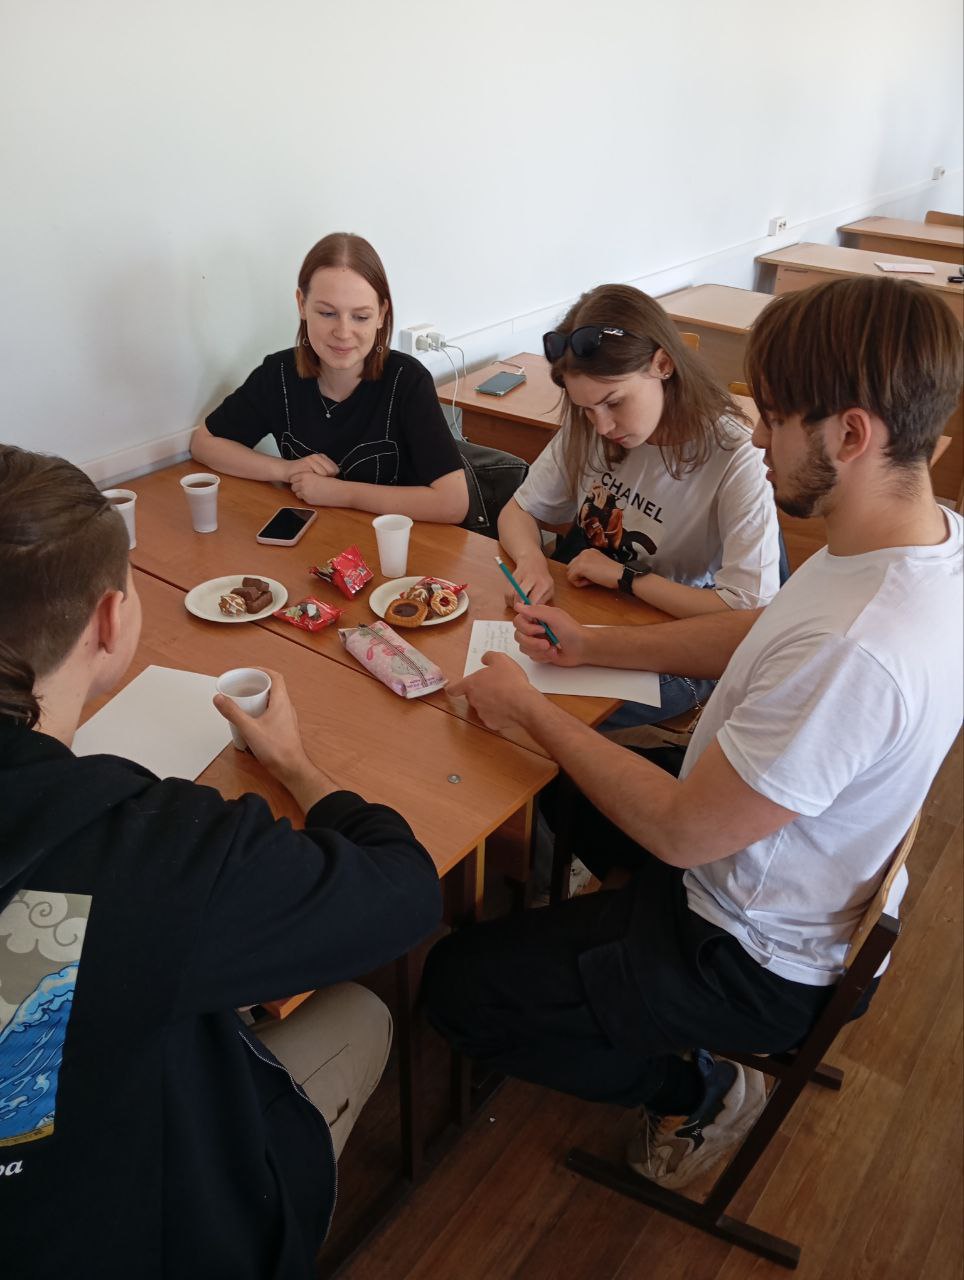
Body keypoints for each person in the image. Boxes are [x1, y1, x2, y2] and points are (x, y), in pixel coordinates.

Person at [423, 276, 963, 1192]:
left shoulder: (860, 647)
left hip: (750, 951)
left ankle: (697, 1090)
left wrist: (534, 710)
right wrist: (593, 644)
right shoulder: (914, 540)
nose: (757, 436)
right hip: (761, 849)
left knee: (454, 988)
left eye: (777, 418)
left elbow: (683, 832)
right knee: (551, 776)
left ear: (851, 436)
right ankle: (602, 953)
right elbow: (757, 629)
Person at [0, 446, 442, 1277]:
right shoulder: (151, 848)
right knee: (362, 1014)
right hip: (123, 1234)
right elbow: (405, 890)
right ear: (110, 620)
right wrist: (300, 769)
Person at [497, 283, 782, 727]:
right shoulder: (591, 423)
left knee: (536, 712)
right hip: (592, 610)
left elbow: (744, 615)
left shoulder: (735, 454)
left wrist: (625, 578)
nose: (601, 426)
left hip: (676, 636)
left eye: (613, 402)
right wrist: (531, 558)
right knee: (505, 683)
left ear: (662, 364)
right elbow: (519, 511)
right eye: (586, 409)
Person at [191, 232, 469, 524]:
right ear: (302, 304)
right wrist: (285, 470)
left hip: (399, 545)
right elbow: (204, 443)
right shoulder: (279, 374)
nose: (343, 332)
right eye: (327, 313)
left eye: (360, 317)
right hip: (320, 539)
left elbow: (453, 503)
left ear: (381, 314)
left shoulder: (408, 381)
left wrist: (342, 493)